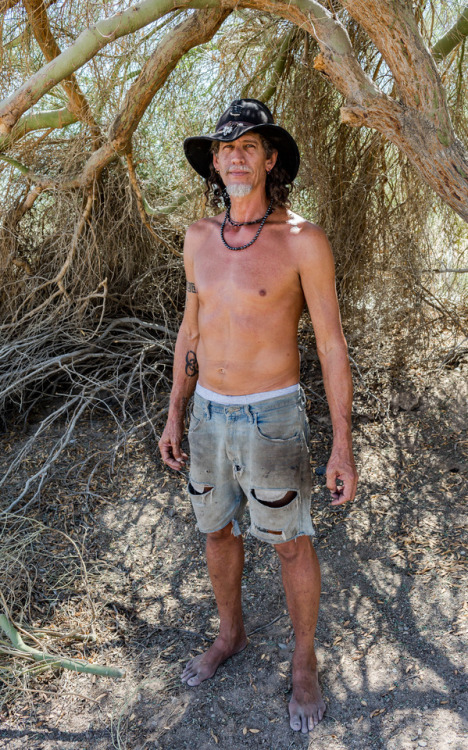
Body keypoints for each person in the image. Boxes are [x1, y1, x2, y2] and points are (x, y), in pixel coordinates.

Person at [158, 99, 358, 734]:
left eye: (247, 145)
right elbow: (190, 331)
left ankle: (304, 663)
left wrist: (342, 444)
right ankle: (232, 634)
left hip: (274, 416)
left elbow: (330, 344)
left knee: (291, 543)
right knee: (217, 533)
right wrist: (174, 413)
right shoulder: (197, 237)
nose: (234, 156)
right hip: (208, 416)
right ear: (214, 165)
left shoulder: (303, 240)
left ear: (270, 159)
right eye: (224, 149)